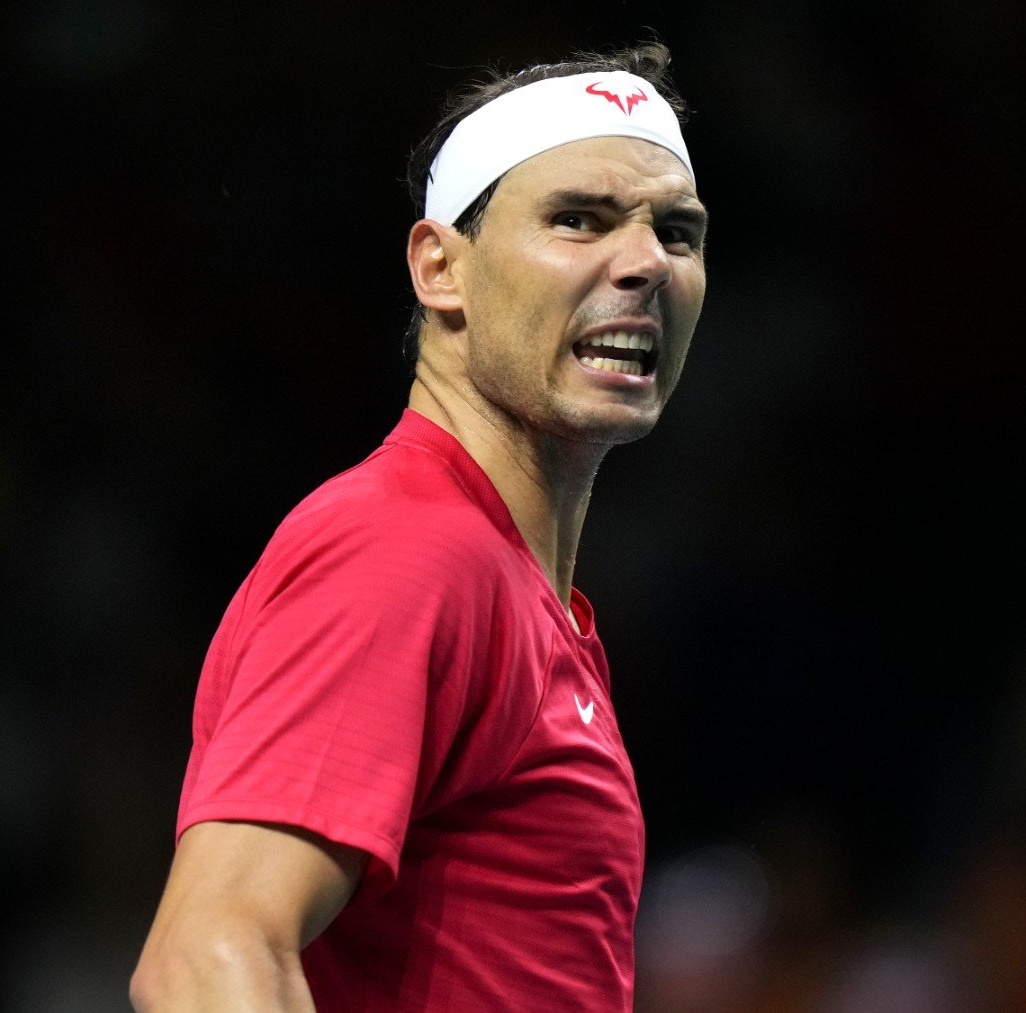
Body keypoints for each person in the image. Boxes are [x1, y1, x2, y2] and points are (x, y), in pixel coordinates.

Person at [132, 42, 708, 1012]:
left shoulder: (510, 587)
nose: (646, 262)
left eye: (678, 233)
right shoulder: (408, 550)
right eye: (580, 219)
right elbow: (208, 957)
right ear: (441, 267)